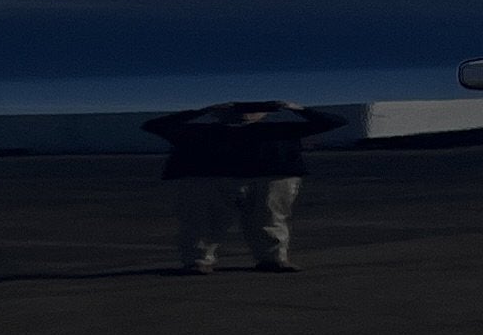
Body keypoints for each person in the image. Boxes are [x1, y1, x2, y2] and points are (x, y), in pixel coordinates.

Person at [145, 99, 343, 272]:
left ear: (265, 112)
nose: (245, 114)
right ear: (217, 112)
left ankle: (274, 259)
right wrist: (201, 110)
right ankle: (198, 261)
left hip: (270, 178)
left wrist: (294, 108)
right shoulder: (196, 130)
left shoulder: (280, 128)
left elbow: (335, 121)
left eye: (252, 109)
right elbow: (153, 125)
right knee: (203, 220)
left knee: (271, 219)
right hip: (210, 179)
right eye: (236, 109)